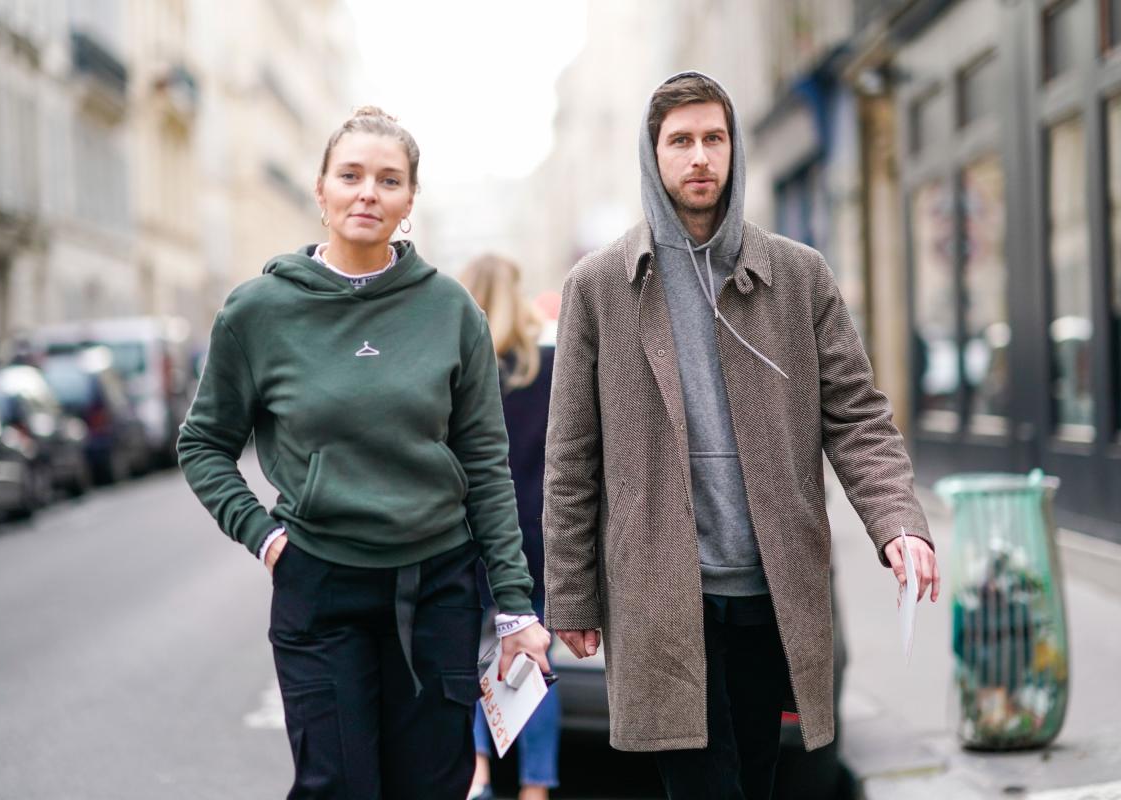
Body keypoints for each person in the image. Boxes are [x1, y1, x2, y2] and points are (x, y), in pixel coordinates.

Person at [541, 72, 941, 800]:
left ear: (735, 149)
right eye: (681, 141)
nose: (700, 157)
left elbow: (857, 416)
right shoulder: (598, 287)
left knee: (759, 778)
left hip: (773, 588)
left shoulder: (797, 275)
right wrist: (569, 594)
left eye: (714, 139)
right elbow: (571, 457)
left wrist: (900, 526)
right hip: (663, 596)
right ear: (652, 154)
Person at [178, 106, 551, 800]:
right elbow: (203, 442)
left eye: (388, 180)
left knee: (431, 788)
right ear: (320, 190)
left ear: (410, 200)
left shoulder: (450, 310)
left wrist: (516, 608)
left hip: (436, 587)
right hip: (321, 586)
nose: (367, 193)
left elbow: (486, 466)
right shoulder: (258, 312)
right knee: (337, 786)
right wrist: (263, 537)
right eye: (350, 176)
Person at [458, 255, 560, 800]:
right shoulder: (549, 366)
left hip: (470, 534)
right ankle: (535, 788)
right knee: (531, 662)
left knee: (471, 658)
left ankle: (476, 773)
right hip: (536, 537)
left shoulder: (458, 366)